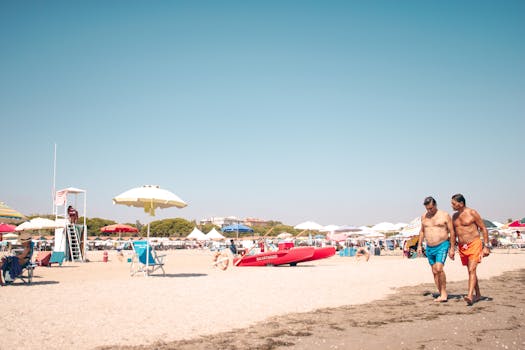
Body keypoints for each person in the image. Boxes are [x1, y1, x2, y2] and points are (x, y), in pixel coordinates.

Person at [451, 193, 490, 305]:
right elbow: (453, 233)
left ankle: (470, 296)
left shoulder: (472, 213)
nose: (452, 205)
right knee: (470, 270)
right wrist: (452, 248)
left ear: (461, 203)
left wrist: (486, 246)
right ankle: (478, 294)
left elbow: (483, 228)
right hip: (462, 247)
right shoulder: (454, 216)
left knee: (472, 269)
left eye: (453, 203)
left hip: (474, 243)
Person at [417, 196, 455, 302]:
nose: (429, 211)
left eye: (431, 208)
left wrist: (452, 248)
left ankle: (444, 293)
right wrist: (419, 245)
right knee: (434, 271)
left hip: (442, 245)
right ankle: (440, 292)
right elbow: (422, 231)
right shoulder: (424, 216)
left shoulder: (444, 215)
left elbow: (452, 231)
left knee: (439, 268)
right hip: (429, 247)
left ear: (435, 205)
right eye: (427, 209)